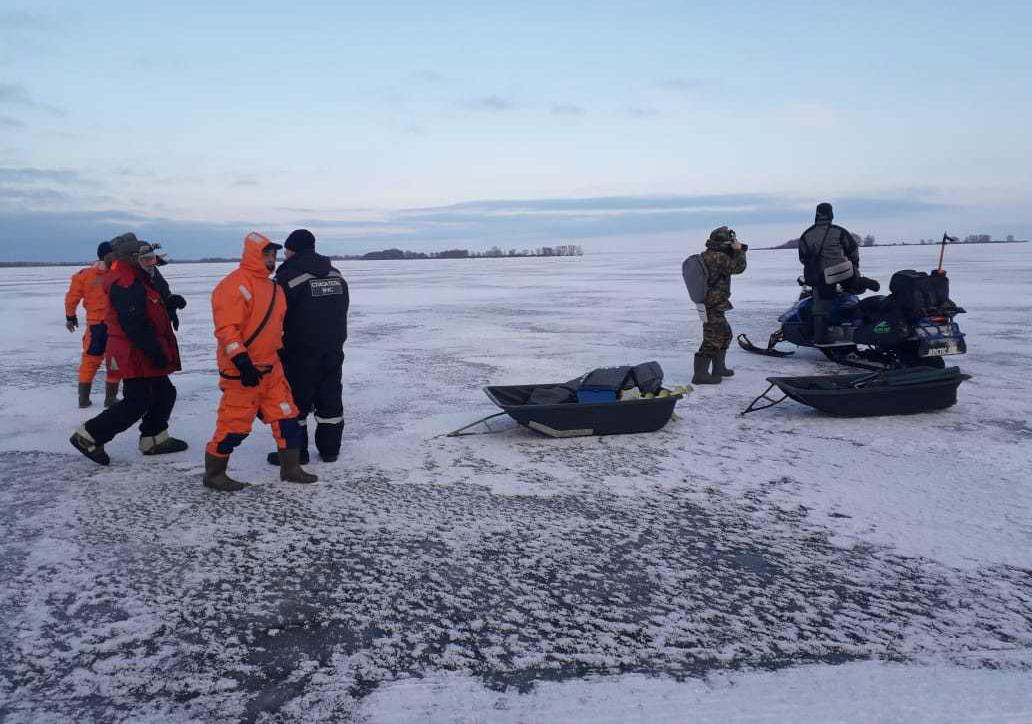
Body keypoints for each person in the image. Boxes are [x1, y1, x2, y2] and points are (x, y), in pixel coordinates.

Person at [203, 232, 317, 491]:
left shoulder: (275, 288)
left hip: (272, 370)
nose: (271, 258)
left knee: (288, 418)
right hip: (242, 373)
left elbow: (277, 327)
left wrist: (282, 352)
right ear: (252, 254)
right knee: (234, 426)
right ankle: (214, 474)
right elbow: (226, 329)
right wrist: (242, 362)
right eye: (266, 253)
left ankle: (291, 468)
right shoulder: (233, 285)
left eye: (274, 254)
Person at [69, 234, 188, 465]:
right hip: (134, 350)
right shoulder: (125, 281)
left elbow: (149, 303)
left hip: (141, 346)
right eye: (147, 259)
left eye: (153, 259)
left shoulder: (139, 276)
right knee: (137, 401)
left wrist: (169, 303)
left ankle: (154, 438)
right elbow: (134, 322)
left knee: (164, 393)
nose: (152, 264)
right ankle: (90, 435)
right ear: (133, 259)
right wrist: (155, 350)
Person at [266, 229, 350, 466]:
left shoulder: (286, 278)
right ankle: (330, 450)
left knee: (296, 404)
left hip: (299, 351)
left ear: (291, 250)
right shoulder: (336, 274)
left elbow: (274, 316)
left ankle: (297, 453)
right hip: (333, 348)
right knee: (330, 399)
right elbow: (343, 307)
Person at [797, 202, 864, 345]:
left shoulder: (807, 235)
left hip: (820, 277)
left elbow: (802, 257)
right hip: (843, 273)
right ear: (831, 215)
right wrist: (854, 267)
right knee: (851, 295)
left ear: (816, 215)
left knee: (820, 305)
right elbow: (852, 250)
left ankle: (821, 336)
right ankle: (855, 328)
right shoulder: (839, 232)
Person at [65, 241, 121, 408]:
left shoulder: (83, 275)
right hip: (114, 326)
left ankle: (83, 399)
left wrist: (70, 316)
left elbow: (71, 298)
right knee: (114, 360)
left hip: (95, 326)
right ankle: (110, 398)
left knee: (89, 361)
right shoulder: (117, 274)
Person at [693, 226, 747, 385]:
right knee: (712, 337)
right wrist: (739, 251)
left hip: (712, 303)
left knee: (725, 334)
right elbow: (738, 268)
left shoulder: (708, 255)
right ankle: (700, 374)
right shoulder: (718, 257)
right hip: (712, 304)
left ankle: (718, 368)